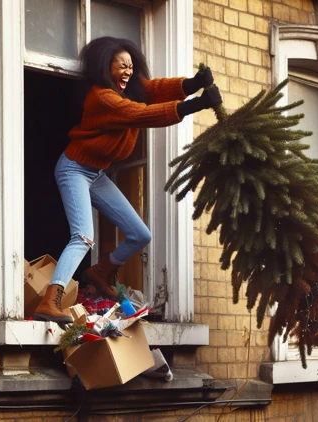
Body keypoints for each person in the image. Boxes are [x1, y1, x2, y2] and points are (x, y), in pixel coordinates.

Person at [33, 37, 222, 323]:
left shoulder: (131, 89)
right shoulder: (102, 98)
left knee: (140, 235)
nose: (128, 72)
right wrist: (195, 105)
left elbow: (155, 88)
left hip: (97, 174)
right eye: (121, 66)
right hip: (73, 168)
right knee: (83, 236)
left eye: (131, 67)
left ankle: (100, 270)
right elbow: (141, 114)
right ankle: (51, 299)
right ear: (104, 67)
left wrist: (193, 83)